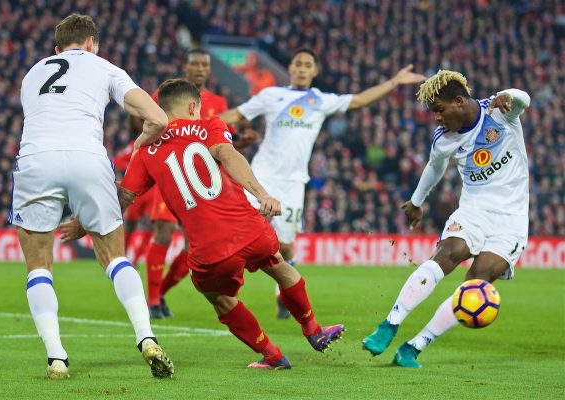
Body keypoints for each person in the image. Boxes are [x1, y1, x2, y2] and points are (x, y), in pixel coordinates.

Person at [63, 79, 345, 370]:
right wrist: (261, 194)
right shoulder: (210, 125)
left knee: (220, 299)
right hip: (250, 228)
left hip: (209, 251)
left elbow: (121, 199)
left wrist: (84, 225)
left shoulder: (146, 151)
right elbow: (228, 154)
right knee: (281, 267)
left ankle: (272, 355)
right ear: (192, 106)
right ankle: (313, 329)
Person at [11, 13, 174, 379]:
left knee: (38, 266)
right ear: (90, 43)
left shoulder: (33, 73)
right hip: (88, 157)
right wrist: (140, 141)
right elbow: (159, 118)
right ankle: (146, 337)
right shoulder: (104, 67)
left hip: (36, 159)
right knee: (115, 257)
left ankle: (56, 358)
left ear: (57, 49)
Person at [219, 48, 426, 318]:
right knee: (238, 228)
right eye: (298, 63)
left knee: (285, 246)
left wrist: (394, 82)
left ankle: (284, 293)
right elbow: (236, 114)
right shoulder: (270, 96)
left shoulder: (320, 100)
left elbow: (360, 100)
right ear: (291, 68)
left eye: (308, 65)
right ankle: (225, 289)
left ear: (315, 71)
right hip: (260, 176)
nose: (303, 68)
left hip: (293, 182)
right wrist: (194, 124)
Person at [362, 70, 530, 368]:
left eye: (439, 110)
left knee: (474, 285)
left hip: (512, 220)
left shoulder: (499, 111)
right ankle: (390, 323)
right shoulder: (444, 138)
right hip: (474, 209)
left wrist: (510, 94)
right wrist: (416, 201)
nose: (436, 118)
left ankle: (414, 347)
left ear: (458, 101)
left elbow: (523, 99)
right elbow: (434, 166)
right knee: (448, 253)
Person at [120, 48, 258, 319]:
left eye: (204, 65)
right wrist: (138, 125)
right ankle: (154, 299)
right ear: (186, 66)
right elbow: (145, 125)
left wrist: (243, 140)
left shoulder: (217, 102)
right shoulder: (167, 95)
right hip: (173, 173)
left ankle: (162, 292)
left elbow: (223, 140)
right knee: (162, 231)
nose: (199, 68)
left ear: (208, 69)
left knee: (191, 246)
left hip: (204, 181)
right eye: (194, 63)